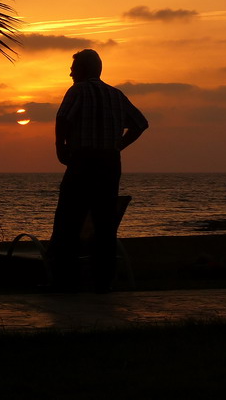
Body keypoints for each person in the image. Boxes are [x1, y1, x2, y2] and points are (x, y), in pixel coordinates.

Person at [48, 49, 148, 293]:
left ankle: (65, 281)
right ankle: (103, 280)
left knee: (68, 221)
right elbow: (140, 124)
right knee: (105, 224)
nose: (70, 73)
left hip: (83, 160)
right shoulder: (116, 94)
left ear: (82, 69)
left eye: (73, 68)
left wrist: (60, 148)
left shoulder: (78, 90)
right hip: (109, 162)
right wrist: (117, 146)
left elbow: (63, 119)